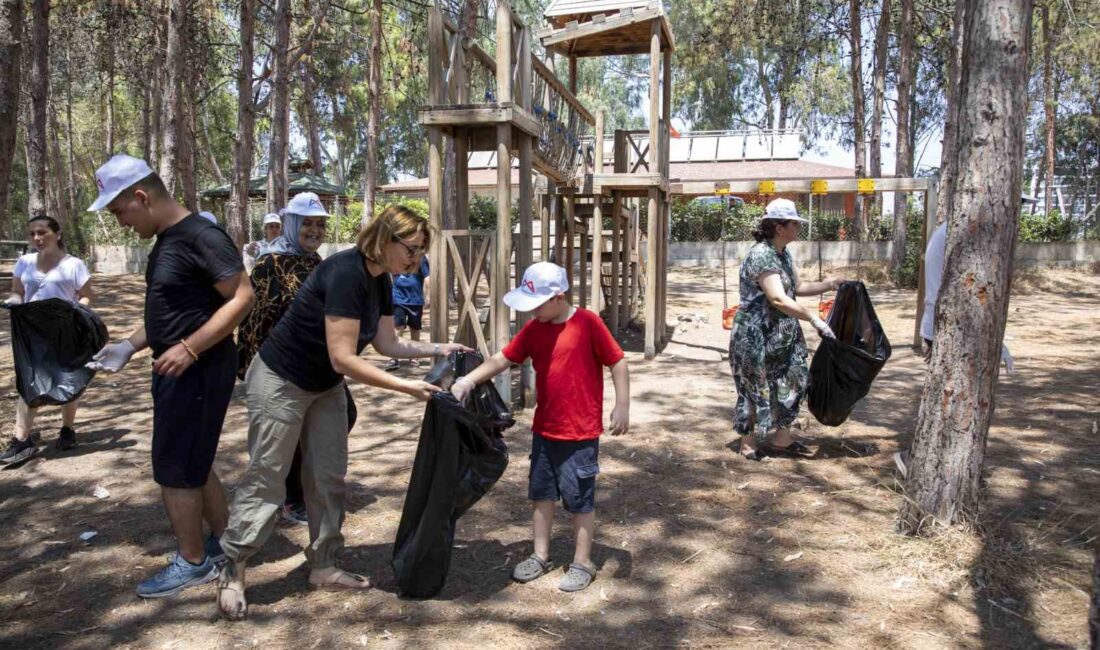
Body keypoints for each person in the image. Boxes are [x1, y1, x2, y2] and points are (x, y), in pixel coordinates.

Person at [216, 205, 468, 620]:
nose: (416, 260)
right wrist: (407, 387)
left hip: (324, 386)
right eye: (411, 249)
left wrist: (438, 348)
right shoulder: (346, 273)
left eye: (421, 252)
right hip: (281, 379)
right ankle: (234, 566)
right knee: (269, 474)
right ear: (385, 239)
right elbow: (344, 359)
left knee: (328, 475)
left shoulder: (381, 280)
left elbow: (388, 345)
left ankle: (324, 565)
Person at [84, 154, 254, 599]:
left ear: (141, 196)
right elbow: (177, 312)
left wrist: (191, 347)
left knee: (175, 467)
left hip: (197, 370)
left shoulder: (201, 235)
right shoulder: (168, 240)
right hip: (178, 364)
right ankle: (221, 540)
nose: (120, 221)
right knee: (192, 459)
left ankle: (193, 561)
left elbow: (242, 296)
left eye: (119, 210)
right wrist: (129, 345)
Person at [451, 262, 630, 593]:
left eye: (536, 305)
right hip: (544, 430)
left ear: (558, 297)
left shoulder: (588, 323)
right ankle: (540, 555)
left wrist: (622, 405)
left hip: (579, 434)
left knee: (580, 499)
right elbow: (503, 359)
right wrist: (468, 380)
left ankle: (582, 561)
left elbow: (617, 360)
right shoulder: (535, 329)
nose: (530, 312)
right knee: (541, 495)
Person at [236, 192, 330, 526]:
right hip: (277, 368)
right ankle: (290, 498)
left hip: (313, 365)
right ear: (291, 224)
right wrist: (251, 369)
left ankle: (299, 489)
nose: (315, 230)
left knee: (327, 424)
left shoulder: (315, 262)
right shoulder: (269, 263)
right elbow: (253, 321)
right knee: (280, 438)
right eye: (307, 223)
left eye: (320, 224)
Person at [893, 221, 1014, 478]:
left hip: (945, 326)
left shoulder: (961, 228)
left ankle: (931, 461)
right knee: (950, 399)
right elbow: (971, 293)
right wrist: (994, 341)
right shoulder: (964, 231)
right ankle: (917, 457)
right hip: (949, 328)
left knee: (949, 397)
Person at [730, 198, 844, 461]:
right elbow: (778, 298)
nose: (798, 228)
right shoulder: (761, 255)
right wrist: (813, 319)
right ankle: (748, 444)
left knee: (792, 378)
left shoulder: (783, 253)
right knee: (752, 384)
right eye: (794, 224)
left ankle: (782, 439)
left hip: (782, 332)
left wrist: (831, 284)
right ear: (779, 228)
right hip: (756, 333)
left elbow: (797, 288)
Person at [0, 216, 94, 465]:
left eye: (42, 233)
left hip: (65, 330)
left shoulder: (74, 265)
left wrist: (74, 313)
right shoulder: (24, 262)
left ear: (57, 233)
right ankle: (22, 440)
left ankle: (67, 430)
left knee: (68, 380)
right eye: (32, 234)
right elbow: (18, 293)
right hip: (31, 332)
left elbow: (85, 297)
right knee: (28, 382)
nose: (36, 238)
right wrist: (14, 302)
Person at [386, 255, 430, 370]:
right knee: (398, 326)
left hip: (415, 300)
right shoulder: (397, 254)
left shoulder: (421, 258)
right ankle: (394, 357)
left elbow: (427, 277)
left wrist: (427, 296)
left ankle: (414, 356)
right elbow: (388, 273)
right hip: (398, 299)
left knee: (415, 328)